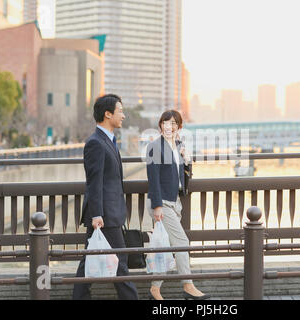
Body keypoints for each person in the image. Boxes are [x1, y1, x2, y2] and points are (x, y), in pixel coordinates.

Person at [72, 94, 139, 300]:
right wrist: (97, 214)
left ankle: (79, 296)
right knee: (120, 263)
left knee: (89, 261)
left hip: (109, 212)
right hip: (104, 215)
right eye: (120, 111)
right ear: (107, 114)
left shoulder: (109, 140)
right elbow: (94, 182)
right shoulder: (96, 143)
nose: (123, 115)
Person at [146, 110, 210, 300]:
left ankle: (154, 289)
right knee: (182, 242)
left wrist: (187, 161)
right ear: (160, 126)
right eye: (166, 123)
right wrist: (157, 206)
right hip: (162, 203)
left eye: (174, 123)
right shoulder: (154, 147)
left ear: (179, 127)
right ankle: (188, 285)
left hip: (175, 202)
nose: (170, 126)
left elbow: (185, 178)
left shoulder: (180, 146)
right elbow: (153, 179)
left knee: (166, 246)